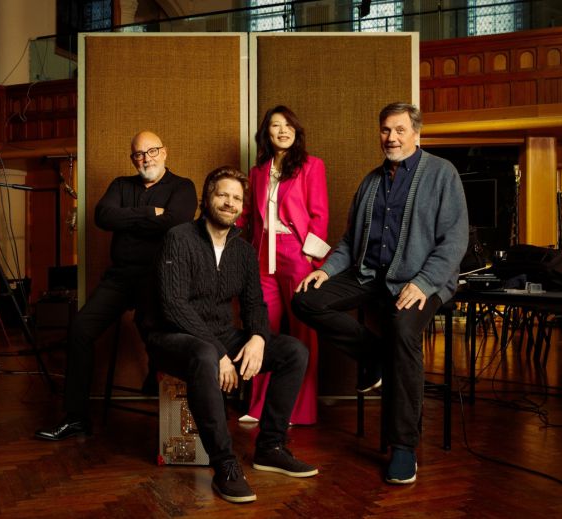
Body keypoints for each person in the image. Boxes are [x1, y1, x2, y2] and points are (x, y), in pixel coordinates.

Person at [292, 102, 468, 485]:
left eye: (400, 130)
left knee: (402, 330)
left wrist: (423, 282)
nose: (392, 138)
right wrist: (325, 271)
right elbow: (349, 241)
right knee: (306, 299)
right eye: (386, 130)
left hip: (423, 279)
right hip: (370, 274)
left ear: (416, 133)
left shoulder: (442, 173)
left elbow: (455, 241)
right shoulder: (371, 182)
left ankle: (403, 446)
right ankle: (374, 356)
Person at [142, 166, 318, 504]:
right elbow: (174, 306)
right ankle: (224, 463)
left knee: (293, 351)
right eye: (222, 194)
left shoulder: (244, 251)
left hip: (220, 337)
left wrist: (258, 338)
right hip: (171, 337)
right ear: (207, 198)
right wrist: (219, 352)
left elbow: (254, 304)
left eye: (236, 198)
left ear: (242, 207)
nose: (229, 202)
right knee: (205, 355)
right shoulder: (179, 238)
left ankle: (270, 447)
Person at [35, 131, 197, 441]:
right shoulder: (121, 185)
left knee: (157, 329)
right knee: (80, 329)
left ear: (165, 152)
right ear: (132, 159)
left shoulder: (182, 187)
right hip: (119, 277)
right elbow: (103, 216)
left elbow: (176, 222)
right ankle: (76, 418)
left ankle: (161, 387)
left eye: (152, 151)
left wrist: (128, 219)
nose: (146, 158)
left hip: (159, 278)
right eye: (139, 154)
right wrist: (150, 213)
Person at [238, 105, 329, 425]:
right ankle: (260, 407)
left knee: (304, 330)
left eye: (288, 125)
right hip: (263, 253)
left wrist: (310, 257)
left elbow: (319, 215)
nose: (283, 130)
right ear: (267, 132)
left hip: (297, 251)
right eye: (276, 125)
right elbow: (248, 216)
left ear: (296, 130)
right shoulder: (257, 171)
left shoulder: (311, 165)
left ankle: (301, 411)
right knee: (263, 328)